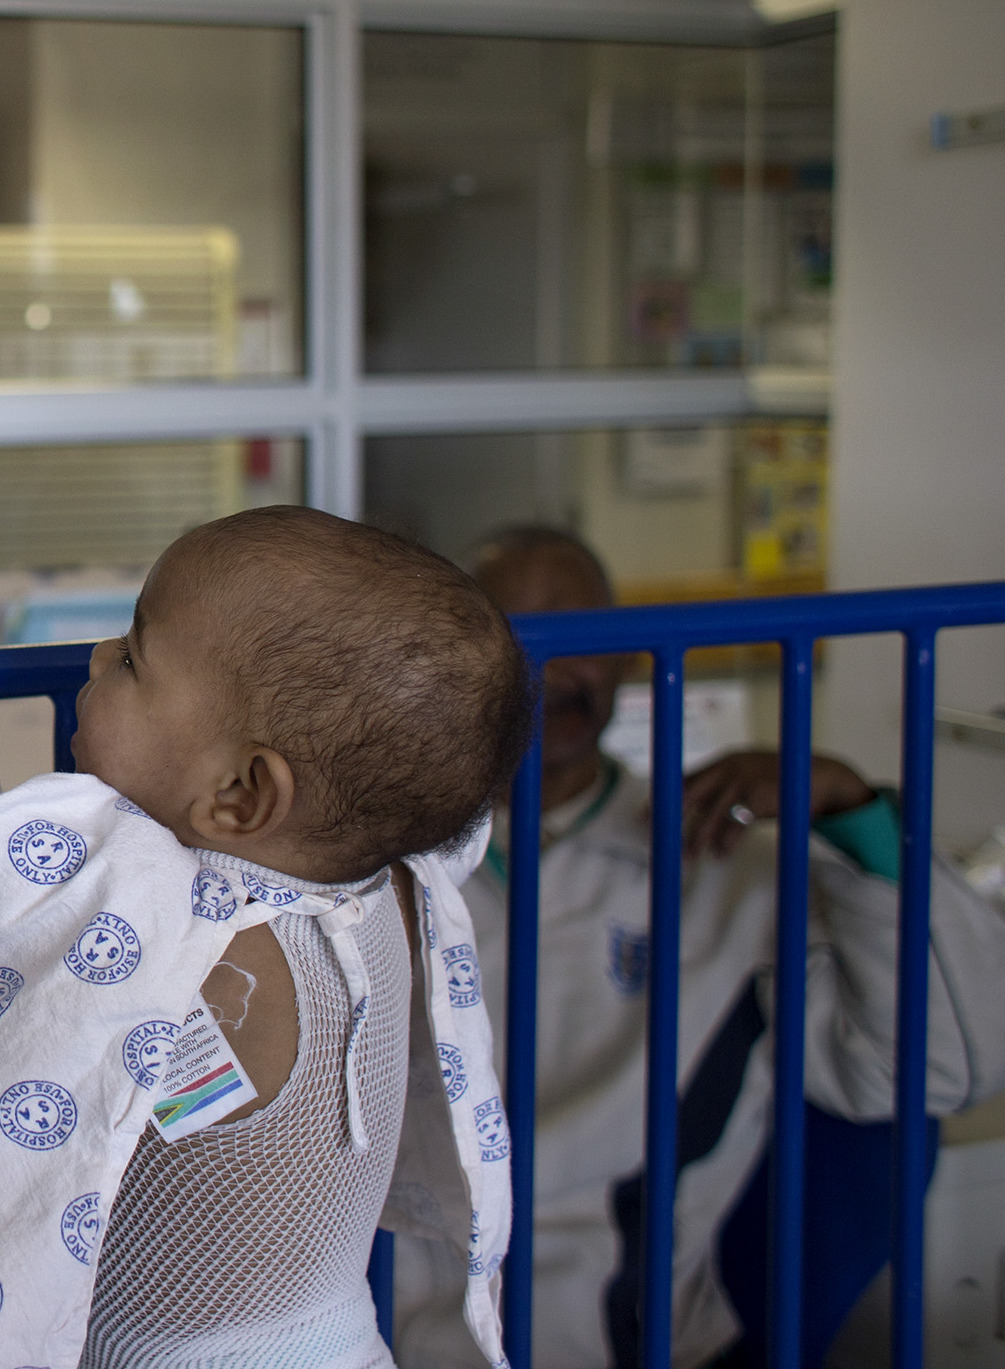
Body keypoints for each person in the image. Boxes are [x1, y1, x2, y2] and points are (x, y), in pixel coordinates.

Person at [0, 467, 531, 1369]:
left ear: (240, 793)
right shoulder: (395, 888)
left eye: (135, 658)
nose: (96, 657)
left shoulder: (144, 893)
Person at [388, 527, 1005, 1369]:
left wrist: (852, 811)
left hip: (620, 1333)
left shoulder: (733, 865)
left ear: (631, 656)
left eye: (579, 631)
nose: (547, 665)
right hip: (372, 1321)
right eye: (507, 630)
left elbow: (951, 1066)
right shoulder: (370, 867)